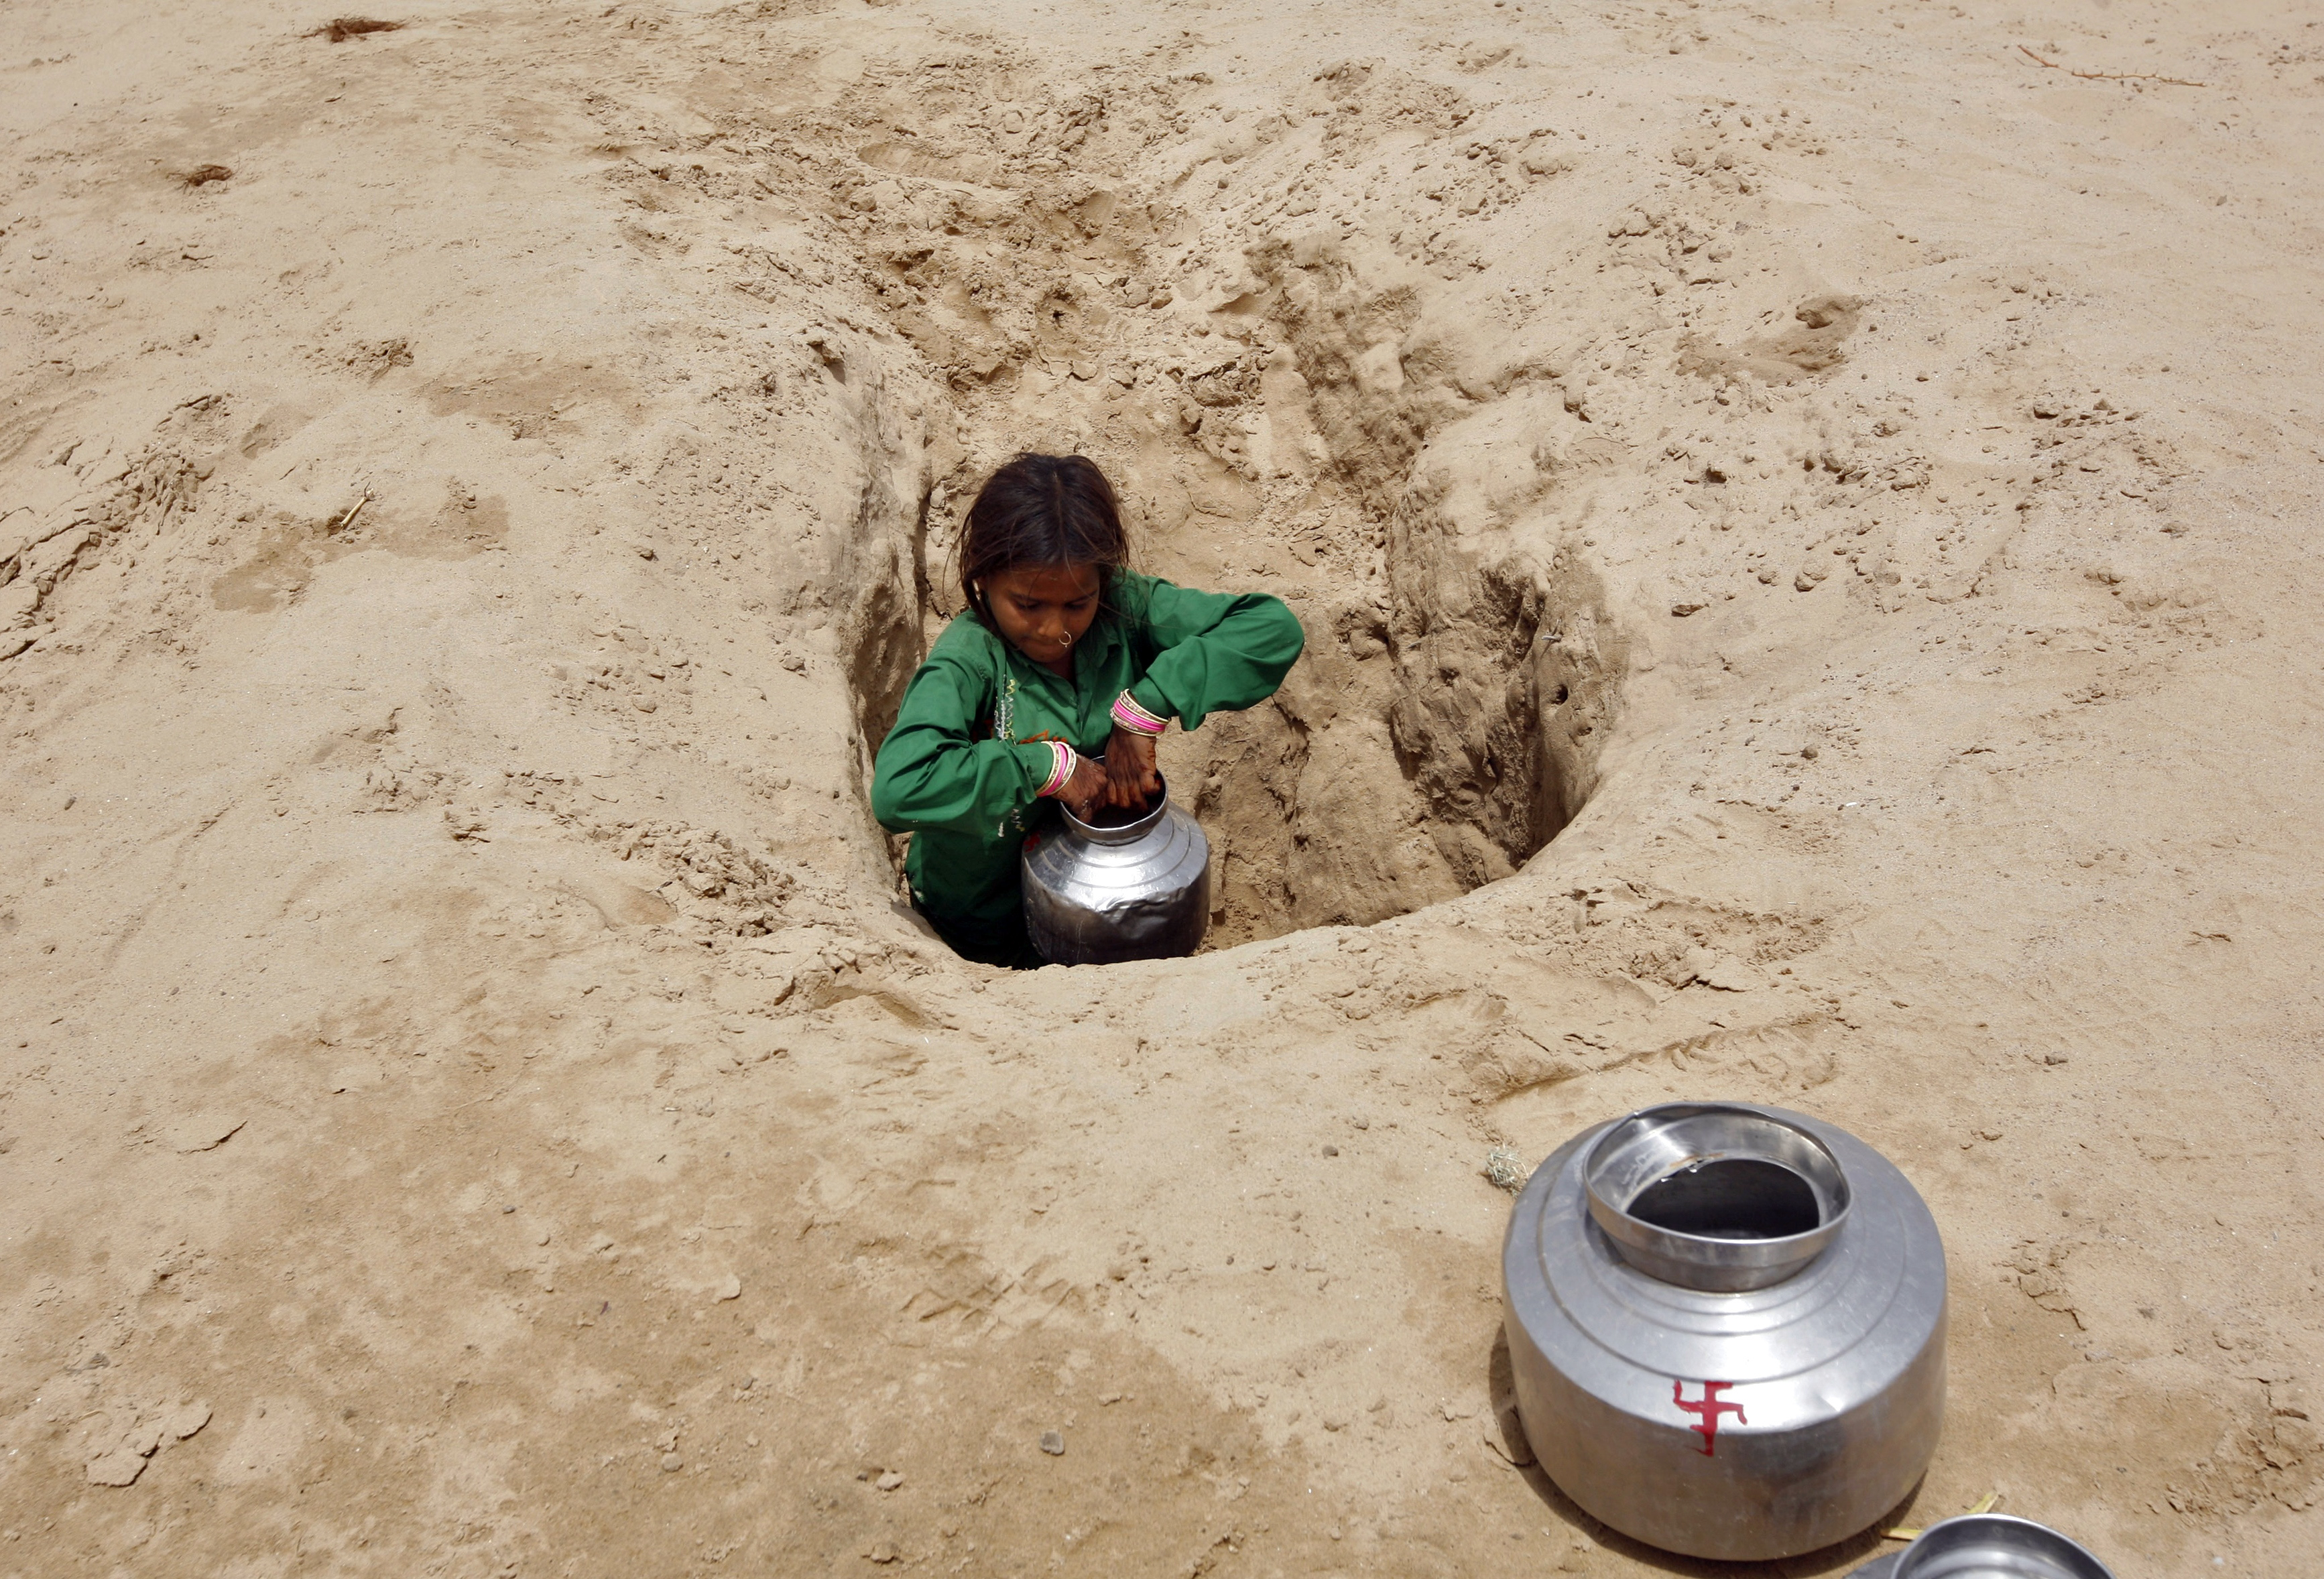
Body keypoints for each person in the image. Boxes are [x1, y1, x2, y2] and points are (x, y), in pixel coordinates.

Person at [871, 454, 1304, 968]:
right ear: (982, 578)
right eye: (1028, 606)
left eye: (1078, 604)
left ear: (1104, 579)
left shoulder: (1125, 608)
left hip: (1100, 910)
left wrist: (1143, 709)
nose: (1056, 629)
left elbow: (1271, 629)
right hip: (981, 923)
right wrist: (1049, 769)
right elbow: (902, 787)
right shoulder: (968, 660)